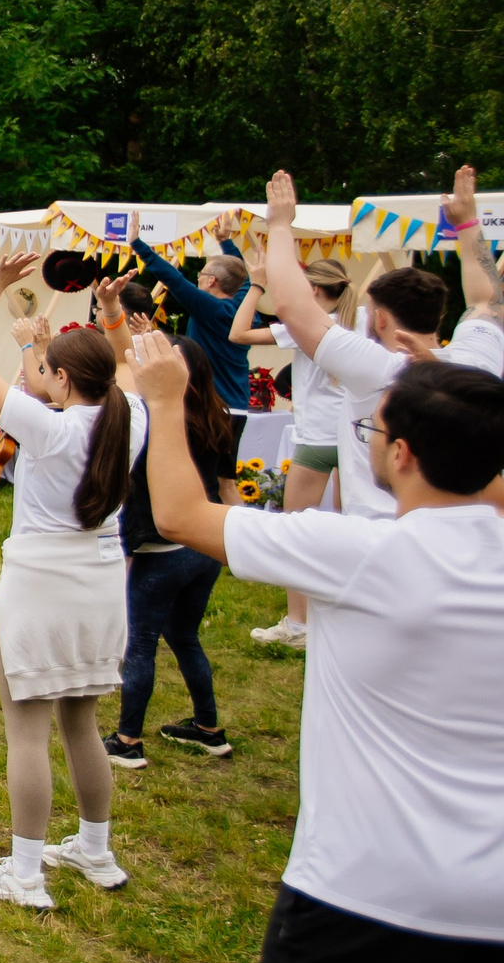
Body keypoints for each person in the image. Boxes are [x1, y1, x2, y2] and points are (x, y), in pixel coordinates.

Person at [130, 332, 504, 963]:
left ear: (398, 454)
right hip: (491, 891)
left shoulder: (362, 552)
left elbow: (181, 513)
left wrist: (164, 397)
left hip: (364, 876)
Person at [0, 249, 143, 910]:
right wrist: (112, 313)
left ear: (60, 379)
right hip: (102, 581)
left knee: (26, 729)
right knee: (82, 720)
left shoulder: (49, 427)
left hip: (40, 582)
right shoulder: (132, 417)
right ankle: (96, 847)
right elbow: (133, 366)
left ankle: (25, 871)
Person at [262, 168, 504, 525]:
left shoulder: (377, 370)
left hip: (380, 531)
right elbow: (486, 299)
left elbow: (291, 307)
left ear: (380, 320)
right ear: (439, 316)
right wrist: (467, 223)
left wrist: (280, 226)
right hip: (469, 528)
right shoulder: (476, 361)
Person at [106, 326, 237, 769]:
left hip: (162, 551)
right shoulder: (217, 414)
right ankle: (208, 729)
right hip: (206, 546)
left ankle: (127, 740)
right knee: (183, 636)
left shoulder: (154, 421)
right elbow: (226, 487)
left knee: (140, 643)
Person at [229, 250, 360, 647]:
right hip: (354, 436)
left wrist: (256, 284)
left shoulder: (305, 324)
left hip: (317, 437)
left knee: (295, 530)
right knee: (357, 526)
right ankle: (351, 612)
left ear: (315, 290)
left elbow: (238, 335)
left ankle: (298, 625)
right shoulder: (362, 320)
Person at [128, 229, 254, 411]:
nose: (197, 281)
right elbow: (243, 278)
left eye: (200, 275)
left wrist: (138, 245)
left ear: (211, 281)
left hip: (211, 405)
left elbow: (175, 280)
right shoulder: (245, 308)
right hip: (238, 403)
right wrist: (225, 241)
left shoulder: (213, 309)